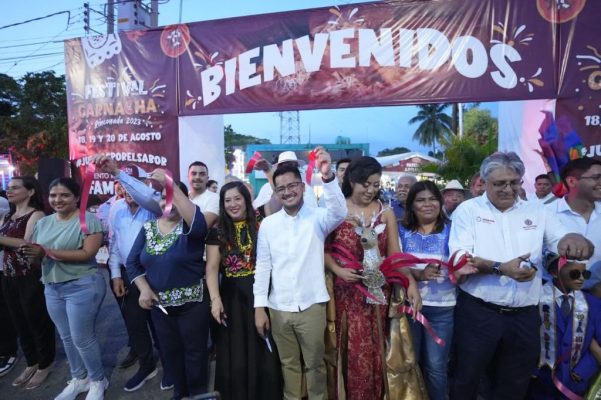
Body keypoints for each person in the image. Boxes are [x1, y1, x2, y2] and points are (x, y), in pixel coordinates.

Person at [449, 152, 594, 400]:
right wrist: (500, 267)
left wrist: (575, 240)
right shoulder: (468, 210)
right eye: (500, 184)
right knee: (468, 378)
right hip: (479, 314)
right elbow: (460, 258)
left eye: (514, 182)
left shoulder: (537, 211)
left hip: (524, 316)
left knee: (515, 382)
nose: (508, 189)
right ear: (484, 183)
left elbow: (561, 239)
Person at [324, 156, 424, 400]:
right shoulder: (337, 210)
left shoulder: (386, 213)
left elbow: (394, 254)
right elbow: (322, 250)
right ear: (351, 181)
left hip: (378, 295)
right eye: (364, 184)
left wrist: (411, 283)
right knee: (349, 349)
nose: (370, 190)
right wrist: (338, 271)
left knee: (375, 351)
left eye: (375, 184)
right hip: (345, 293)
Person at [253, 147, 346, 400]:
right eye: (281, 188)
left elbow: (340, 212)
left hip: (311, 305)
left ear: (302, 186)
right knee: (289, 365)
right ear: (275, 192)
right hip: (279, 306)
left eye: (292, 185)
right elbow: (263, 267)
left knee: (315, 365)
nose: (287, 192)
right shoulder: (269, 225)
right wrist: (259, 307)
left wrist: (327, 177)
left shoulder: (318, 218)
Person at [126, 170, 210, 400]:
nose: (168, 202)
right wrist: (144, 288)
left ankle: (198, 395)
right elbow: (132, 263)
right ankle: (179, 394)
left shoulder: (191, 228)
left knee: (195, 355)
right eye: (165, 197)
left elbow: (199, 224)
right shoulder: (148, 229)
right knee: (171, 355)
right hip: (160, 309)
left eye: (174, 197)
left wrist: (171, 183)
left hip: (193, 306)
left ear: (185, 202)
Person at [21, 177, 107, 400]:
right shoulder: (43, 223)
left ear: (77, 197)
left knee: (82, 338)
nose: (57, 200)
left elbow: (87, 254)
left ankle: (98, 380)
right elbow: (37, 253)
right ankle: (79, 378)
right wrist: (31, 256)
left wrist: (46, 253)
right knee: (66, 337)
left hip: (83, 285)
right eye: (53, 195)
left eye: (64, 195)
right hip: (52, 286)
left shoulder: (88, 220)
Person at [399, 180, 476, 400]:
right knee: (409, 364)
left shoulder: (453, 230)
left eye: (432, 199)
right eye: (421, 200)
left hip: (443, 309)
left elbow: (462, 261)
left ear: (440, 202)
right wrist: (419, 275)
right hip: (409, 309)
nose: (427, 204)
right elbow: (394, 266)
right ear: (411, 205)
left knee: (435, 367)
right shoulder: (401, 230)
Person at [206, 181, 282, 400]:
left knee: (265, 349)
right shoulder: (218, 230)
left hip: (263, 293)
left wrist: (269, 171)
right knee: (236, 353)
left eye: (237, 198)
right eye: (227, 200)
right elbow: (211, 268)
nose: (233, 204)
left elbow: (279, 195)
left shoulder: (261, 220)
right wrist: (215, 299)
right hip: (232, 298)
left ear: (247, 200)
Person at [0, 177, 55, 389]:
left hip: (30, 275)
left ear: (30, 192)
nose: (9, 190)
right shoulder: (8, 216)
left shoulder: (37, 214)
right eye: (9, 187)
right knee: (19, 322)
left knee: (37, 320)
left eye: (15, 187)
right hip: (8, 275)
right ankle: (31, 361)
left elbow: (28, 243)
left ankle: (45, 363)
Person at [529, 254, 601, 399]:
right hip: (539, 379)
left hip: (574, 381)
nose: (581, 278)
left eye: (584, 274)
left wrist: (584, 370)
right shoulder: (535, 298)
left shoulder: (593, 304)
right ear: (555, 273)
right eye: (575, 274)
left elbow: (598, 342)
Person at [547, 158, 601, 298]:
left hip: (597, 299)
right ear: (572, 181)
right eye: (596, 177)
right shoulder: (545, 213)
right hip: (553, 302)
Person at [252, 151, 318, 212]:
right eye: (285, 165)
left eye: (293, 166)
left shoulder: (305, 187)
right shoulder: (266, 187)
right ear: (279, 168)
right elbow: (257, 209)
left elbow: (312, 211)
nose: (289, 169)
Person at [187, 161, 219, 227]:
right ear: (188, 177)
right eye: (193, 174)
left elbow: (202, 226)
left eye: (202, 174)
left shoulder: (215, 198)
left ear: (207, 179)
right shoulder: (184, 196)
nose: (197, 177)